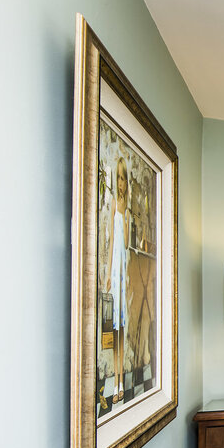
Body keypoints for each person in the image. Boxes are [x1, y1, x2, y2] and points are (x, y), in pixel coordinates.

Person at [106, 158, 130, 403]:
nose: (121, 182)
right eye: (119, 177)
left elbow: (126, 245)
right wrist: (107, 276)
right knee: (114, 328)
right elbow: (113, 241)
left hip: (124, 271)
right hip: (115, 270)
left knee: (122, 329)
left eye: (124, 178)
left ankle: (122, 380)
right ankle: (114, 383)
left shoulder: (127, 207)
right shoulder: (114, 204)